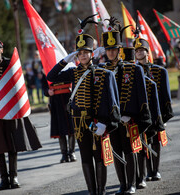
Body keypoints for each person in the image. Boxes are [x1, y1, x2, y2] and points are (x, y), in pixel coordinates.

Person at [47, 16, 121, 195]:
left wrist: (105, 123)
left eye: (86, 52)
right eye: (80, 53)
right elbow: (51, 77)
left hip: (98, 122)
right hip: (80, 124)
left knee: (100, 157)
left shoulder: (103, 73)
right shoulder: (73, 72)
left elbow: (110, 102)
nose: (83, 56)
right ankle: (92, 191)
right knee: (86, 158)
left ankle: (101, 191)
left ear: (92, 54)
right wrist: (65, 61)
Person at [0, 38, 42, 191]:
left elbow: (18, 86)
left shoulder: (9, 65)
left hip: (10, 111)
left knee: (12, 145)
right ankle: (4, 179)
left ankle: (14, 176)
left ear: (1, 50)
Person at [95, 18, 152, 195]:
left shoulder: (133, 69)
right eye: (109, 50)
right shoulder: (101, 70)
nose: (111, 53)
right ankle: (122, 184)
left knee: (130, 151)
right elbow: (100, 97)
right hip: (111, 121)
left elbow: (141, 96)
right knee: (116, 151)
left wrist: (134, 116)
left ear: (119, 50)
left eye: (114, 50)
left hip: (129, 119)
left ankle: (132, 184)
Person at [134, 38, 174, 182]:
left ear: (147, 51)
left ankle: (155, 170)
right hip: (141, 114)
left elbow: (166, 96)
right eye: (136, 51)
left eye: (141, 50)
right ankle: (144, 173)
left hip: (156, 113)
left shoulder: (159, 71)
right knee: (142, 144)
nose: (139, 53)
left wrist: (164, 116)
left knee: (155, 142)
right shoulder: (133, 72)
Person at [42, 74, 76, 163]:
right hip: (56, 101)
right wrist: (47, 92)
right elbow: (44, 87)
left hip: (69, 99)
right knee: (60, 129)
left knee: (72, 128)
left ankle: (71, 152)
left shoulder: (68, 67)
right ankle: (64, 154)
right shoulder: (47, 69)